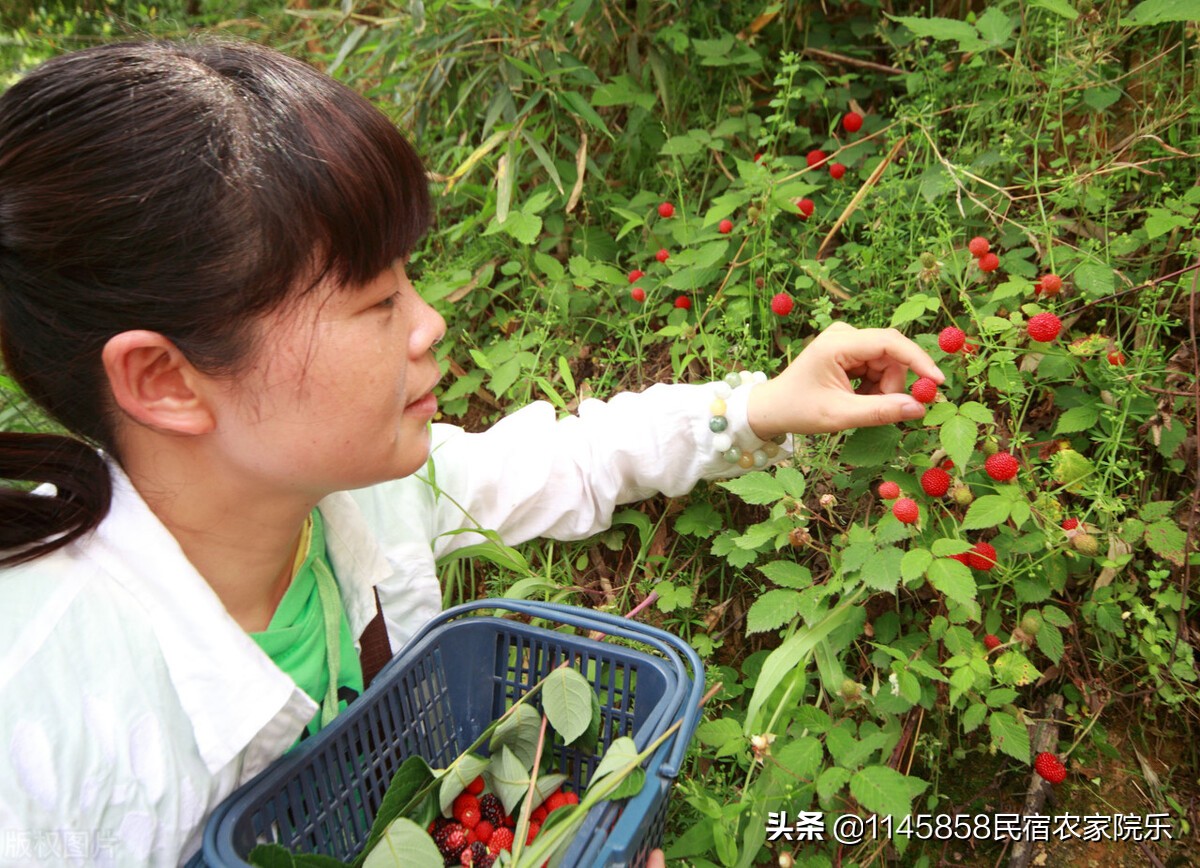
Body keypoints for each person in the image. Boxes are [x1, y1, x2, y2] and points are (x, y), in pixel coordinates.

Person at [0, 39, 942, 867]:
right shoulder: (39, 720)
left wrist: (758, 408)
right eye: (376, 302)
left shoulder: (352, 498)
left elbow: (571, 462)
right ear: (166, 380)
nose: (429, 323)